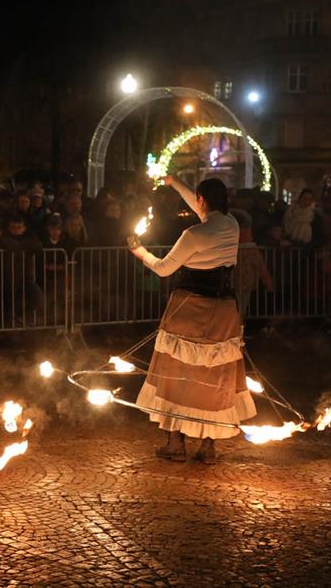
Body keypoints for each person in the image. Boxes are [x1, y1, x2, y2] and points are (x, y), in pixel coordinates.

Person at [127, 176, 256, 464]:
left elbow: (163, 269)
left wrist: (140, 252)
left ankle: (176, 442)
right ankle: (208, 447)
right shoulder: (231, 224)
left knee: (179, 374)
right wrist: (175, 183)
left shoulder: (193, 234)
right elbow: (202, 207)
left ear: (201, 200)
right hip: (224, 310)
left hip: (190, 307)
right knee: (214, 377)